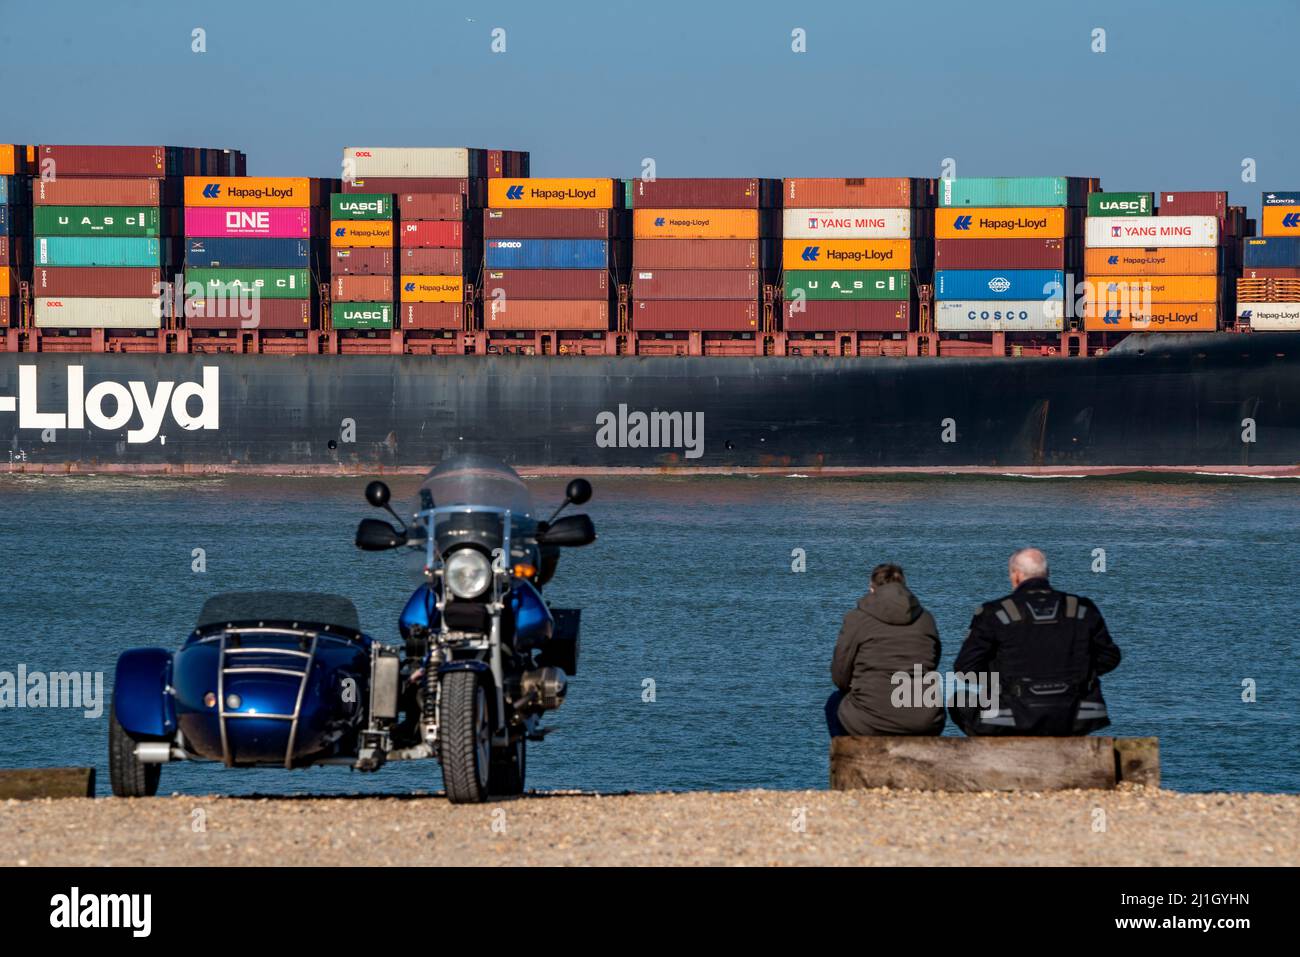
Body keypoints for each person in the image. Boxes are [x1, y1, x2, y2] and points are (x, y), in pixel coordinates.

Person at [950, 548, 1121, 736]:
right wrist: (1079, 673)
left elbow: (965, 669)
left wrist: (1001, 680)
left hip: (1012, 717)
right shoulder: (1082, 609)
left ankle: (996, 757)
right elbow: (1110, 657)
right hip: (1076, 716)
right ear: (1047, 574)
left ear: (1015, 576)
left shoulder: (993, 613)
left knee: (958, 701)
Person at [827, 563, 945, 737]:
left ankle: (851, 759)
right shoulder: (926, 619)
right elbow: (933, 663)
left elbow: (840, 677)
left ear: (872, 589)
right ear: (904, 587)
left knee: (834, 703)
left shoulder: (856, 618)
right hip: (924, 721)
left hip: (870, 721)